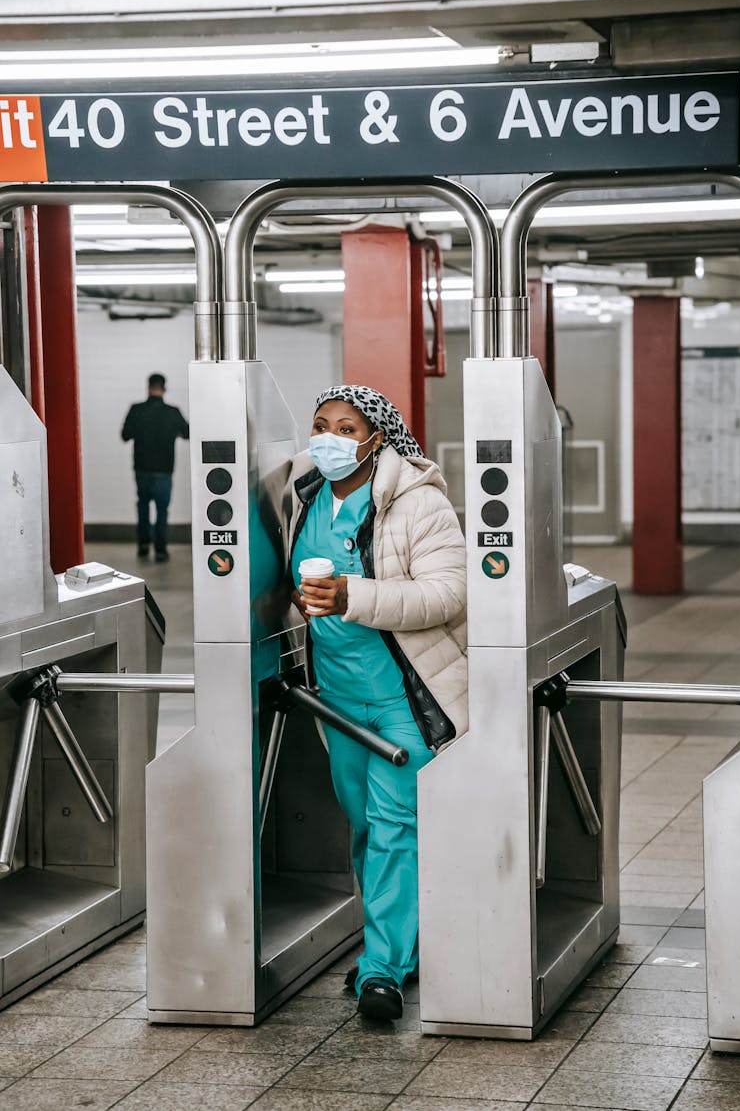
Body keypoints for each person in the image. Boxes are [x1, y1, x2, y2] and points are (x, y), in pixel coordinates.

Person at [287, 383, 467, 1022]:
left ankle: (383, 970)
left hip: (402, 697)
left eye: (347, 428)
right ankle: (400, 944)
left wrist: (351, 597)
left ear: (377, 438)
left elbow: (448, 594)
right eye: (321, 425)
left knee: (396, 829)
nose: (330, 439)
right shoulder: (306, 497)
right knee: (363, 825)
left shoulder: (419, 503)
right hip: (337, 698)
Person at [121, 373, 189, 562]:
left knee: (143, 506)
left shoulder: (136, 410)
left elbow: (125, 435)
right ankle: (160, 550)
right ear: (164, 388)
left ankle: (143, 546)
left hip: (141, 469)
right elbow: (187, 433)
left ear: (148, 387)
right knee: (162, 511)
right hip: (164, 471)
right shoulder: (173, 412)